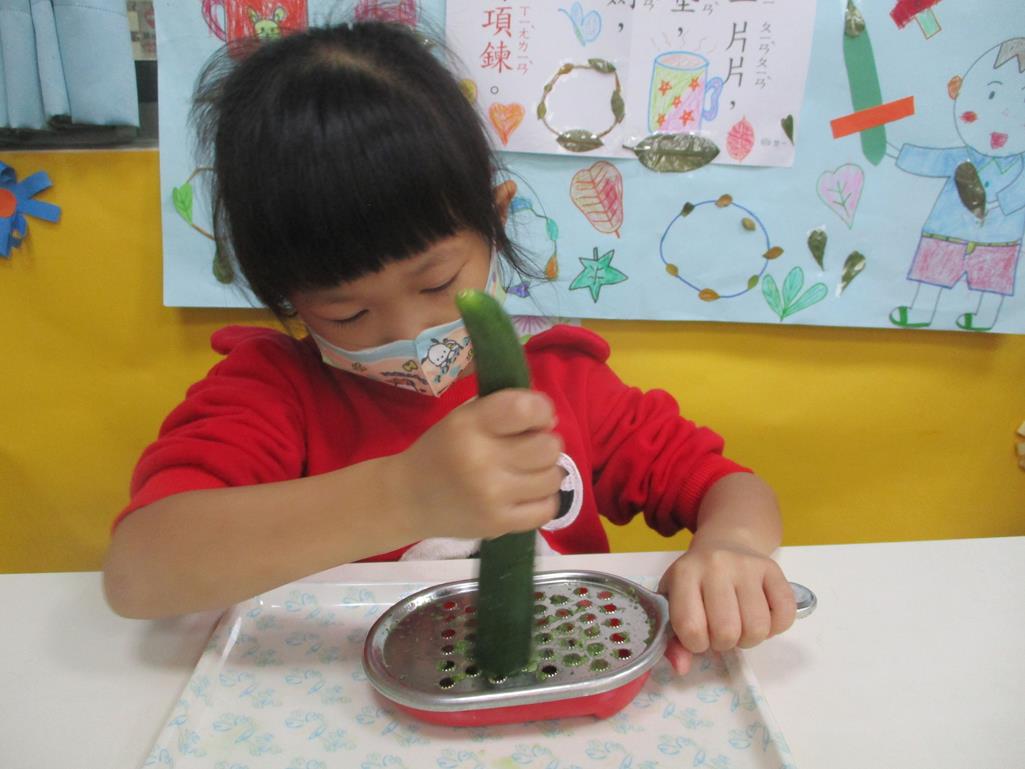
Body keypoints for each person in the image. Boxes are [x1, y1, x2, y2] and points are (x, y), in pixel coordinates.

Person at [103, 22, 795, 675]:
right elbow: (140, 573)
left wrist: (731, 548)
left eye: (437, 282)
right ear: (288, 302)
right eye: (347, 311)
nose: (406, 330)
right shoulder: (271, 394)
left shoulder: (563, 382)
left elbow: (730, 487)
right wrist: (403, 495)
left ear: (495, 221)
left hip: (561, 689)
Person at [889, 38, 1025, 332]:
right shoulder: (962, 156)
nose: (1005, 113)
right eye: (991, 95)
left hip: (1000, 235)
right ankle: (921, 310)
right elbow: (931, 160)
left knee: (992, 278)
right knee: (934, 270)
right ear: (958, 90)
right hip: (947, 229)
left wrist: (1004, 201)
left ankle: (986, 318)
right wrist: (894, 150)